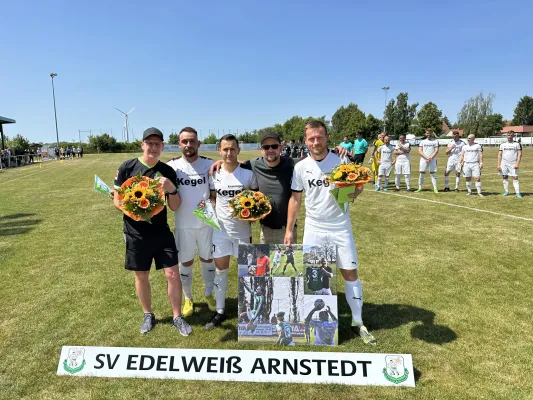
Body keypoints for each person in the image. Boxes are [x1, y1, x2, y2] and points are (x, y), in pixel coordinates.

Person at [285, 119, 376, 345]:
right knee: (315, 278)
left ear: (327, 137)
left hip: (340, 225)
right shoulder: (300, 167)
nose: (316, 142)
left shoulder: (342, 159)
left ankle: (358, 322)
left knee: (349, 273)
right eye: (311, 139)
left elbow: (358, 185)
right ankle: (319, 326)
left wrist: (357, 192)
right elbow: (295, 199)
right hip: (314, 227)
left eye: (319, 137)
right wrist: (289, 230)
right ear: (305, 141)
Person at [112, 127, 192, 336]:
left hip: (161, 231)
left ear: (163, 146)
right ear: (142, 144)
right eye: (150, 143)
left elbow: (174, 206)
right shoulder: (127, 167)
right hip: (135, 232)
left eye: (158, 144)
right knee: (142, 275)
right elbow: (117, 199)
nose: (154, 147)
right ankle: (148, 314)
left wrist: (171, 189)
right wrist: (134, 211)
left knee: (173, 274)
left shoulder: (167, 171)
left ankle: (177, 316)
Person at [207, 134, 258, 329]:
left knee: (247, 272)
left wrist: (251, 214)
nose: (229, 153)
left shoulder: (248, 174)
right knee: (221, 272)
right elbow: (213, 196)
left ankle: (248, 311)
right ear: (219, 151)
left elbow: (255, 198)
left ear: (238, 150)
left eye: (232, 149)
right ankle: (219, 311)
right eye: (225, 149)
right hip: (220, 231)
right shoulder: (214, 174)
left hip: (242, 232)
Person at [167, 127, 216, 318]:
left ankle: (209, 294)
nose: (188, 145)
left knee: (208, 259)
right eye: (184, 141)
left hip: (206, 224)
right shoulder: (172, 166)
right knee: (185, 262)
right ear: (179, 144)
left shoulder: (210, 165)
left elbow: (214, 194)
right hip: (183, 224)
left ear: (198, 143)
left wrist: (210, 204)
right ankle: (188, 298)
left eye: (192, 141)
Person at [498, 131, 523, 198]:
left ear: (513, 136)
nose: (509, 136)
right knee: (505, 177)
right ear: (506, 136)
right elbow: (499, 155)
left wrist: (517, 163)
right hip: (504, 163)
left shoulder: (517, 144)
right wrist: (498, 165)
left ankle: (517, 193)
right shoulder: (502, 145)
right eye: (508, 135)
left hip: (513, 163)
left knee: (515, 177)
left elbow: (519, 154)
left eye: (511, 135)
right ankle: (506, 191)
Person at [416, 128, 439, 193]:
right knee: (421, 173)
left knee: (433, 173)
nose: (428, 134)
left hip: (432, 159)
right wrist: (426, 157)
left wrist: (430, 157)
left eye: (430, 133)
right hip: (424, 159)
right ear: (425, 134)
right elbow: (420, 151)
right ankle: (420, 188)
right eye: (427, 133)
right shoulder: (422, 141)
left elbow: (436, 151)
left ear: (432, 133)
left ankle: (435, 188)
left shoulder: (435, 141)